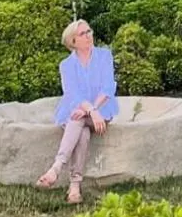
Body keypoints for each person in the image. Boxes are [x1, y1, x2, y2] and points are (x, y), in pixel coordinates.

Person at [36, 19, 119, 204]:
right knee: (80, 129)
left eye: (89, 31)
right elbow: (73, 95)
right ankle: (74, 187)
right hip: (77, 113)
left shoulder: (104, 56)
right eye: (83, 34)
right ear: (73, 41)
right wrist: (88, 109)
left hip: (101, 113)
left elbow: (108, 87)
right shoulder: (66, 65)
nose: (89, 35)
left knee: (78, 119)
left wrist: (93, 110)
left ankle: (56, 168)